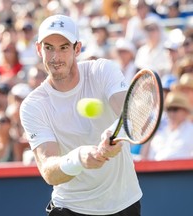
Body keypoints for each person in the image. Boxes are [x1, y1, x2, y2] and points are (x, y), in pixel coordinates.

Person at [20, 15, 142, 216]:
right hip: (70, 208)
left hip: (124, 204)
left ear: (77, 48)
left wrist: (113, 133)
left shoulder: (103, 70)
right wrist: (78, 158)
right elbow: (49, 171)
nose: (55, 57)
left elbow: (130, 115)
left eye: (64, 47)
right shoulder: (32, 106)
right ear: (38, 49)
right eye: (48, 47)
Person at [141, 91, 193, 161]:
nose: (171, 113)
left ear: (185, 111)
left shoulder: (191, 131)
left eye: (175, 109)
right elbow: (145, 158)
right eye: (169, 109)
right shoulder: (160, 132)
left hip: (185, 171)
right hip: (157, 170)